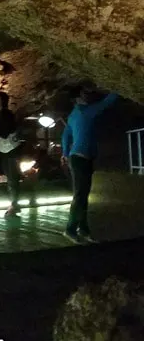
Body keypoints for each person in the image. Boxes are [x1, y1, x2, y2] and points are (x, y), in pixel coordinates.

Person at [61, 86, 118, 242]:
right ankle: (70, 229)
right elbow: (106, 103)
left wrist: (65, 154)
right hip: (81, 159)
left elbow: (66, 135)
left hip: (79, 158)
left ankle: (84, 229)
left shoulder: (73, 115)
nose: (87, 96)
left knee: (83, 195)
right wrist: (118, 89)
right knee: (80, 195)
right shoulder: (85, 112)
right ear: (77, 98)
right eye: (83, 93)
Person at [0, 92, 23, 217]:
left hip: (11, 149)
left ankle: (14, 204)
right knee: (10, 177)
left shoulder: (8, 114)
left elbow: (4, 132)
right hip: (2, 148)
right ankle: (14, 204)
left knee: (12, 178)